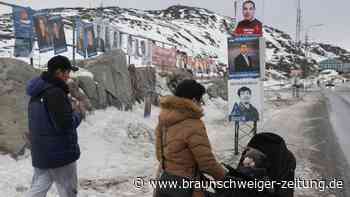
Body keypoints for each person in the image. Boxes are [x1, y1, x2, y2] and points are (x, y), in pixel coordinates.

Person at [154, 79, 226, 197]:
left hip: (165, 183)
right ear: (193, 100)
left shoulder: (163, 119)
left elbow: (159, 154)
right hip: (187, 188)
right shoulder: (194, 124)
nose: (201, 105)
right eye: (200, 101)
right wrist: (224, 178)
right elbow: (207, 163)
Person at [26, 55, 85, 197]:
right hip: (60, 154)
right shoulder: (55, 92)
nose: (68, 76)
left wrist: (67, 109)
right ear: (58, 72)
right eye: (67, 72)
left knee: (38, 190)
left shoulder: (38, 91)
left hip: (42, 153)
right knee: (68, 191)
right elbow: (65, 125)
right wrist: (78, 113)